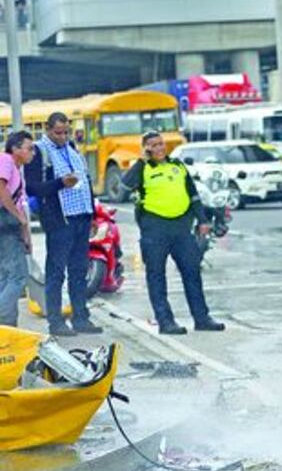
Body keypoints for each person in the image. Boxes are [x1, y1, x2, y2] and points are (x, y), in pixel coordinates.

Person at [122, 131, 224, 335]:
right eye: (153, 145)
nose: (159, 148)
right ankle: (166, 321)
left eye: (161, 144)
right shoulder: (143, 168)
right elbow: (125, 184)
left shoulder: (177, 166)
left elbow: (193, 194)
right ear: (146, 148)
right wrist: (143, 160)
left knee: (192, 271)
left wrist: (203, 220)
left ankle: (202, 318)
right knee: (156, 276)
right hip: (155, 228)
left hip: (181, 227)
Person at [25, 112, 101, 336]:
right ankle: (56, 321)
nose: (62, 137)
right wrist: (60, 183)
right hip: (60, 220)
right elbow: (32, 187)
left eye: (66, 132)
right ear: (48, 129)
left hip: (81, 216)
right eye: (58, 132)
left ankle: (81, 317)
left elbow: (86, 181)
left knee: (79, 271)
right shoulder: (40, 151)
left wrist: (93, 214)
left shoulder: (72, 149)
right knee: (56, 272)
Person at [0, 131, 35, 326]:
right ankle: (3, 318)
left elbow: (21, 206)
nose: (32, 153)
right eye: (29, 148)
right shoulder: (5, 159)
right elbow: (1, 189)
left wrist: (26, 236)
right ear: (15, 148)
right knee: (18, 277)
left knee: (5, 277)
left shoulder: (17, 170)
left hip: (9, 224)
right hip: (4, 221)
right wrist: (18, 216)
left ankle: (8, 326)